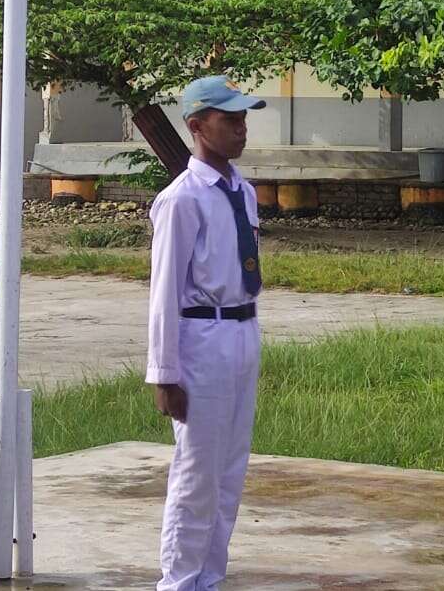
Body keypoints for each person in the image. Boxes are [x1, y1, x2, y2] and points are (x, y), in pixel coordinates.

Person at [147, 76, 267, 591]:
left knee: (230, 470)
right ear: (197, 126)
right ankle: (178, 580)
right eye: (229, 120)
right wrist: (165, 373)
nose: (241, 129)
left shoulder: (243, 190)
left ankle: (210, 577)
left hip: (242, 331)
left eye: (243, 119)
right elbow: (164, 293)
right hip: (202, 337)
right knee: (197, 471)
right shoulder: (182, 199)